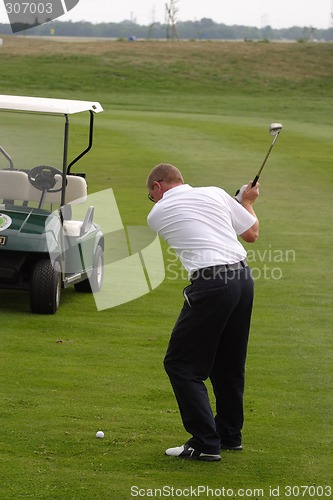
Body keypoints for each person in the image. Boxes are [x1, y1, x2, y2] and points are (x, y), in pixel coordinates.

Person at [146, 163, 260, 462]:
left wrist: (238, 202)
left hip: (212, 284)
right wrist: (245, 201)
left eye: (151, 195)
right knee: (228, 362)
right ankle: (228, 435)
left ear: (158, 187)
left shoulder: (156, 214)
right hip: (243, 279)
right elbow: (251, 233)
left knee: (181, 365)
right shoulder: (215, 193)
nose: (153, 201)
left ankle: (205, 442)